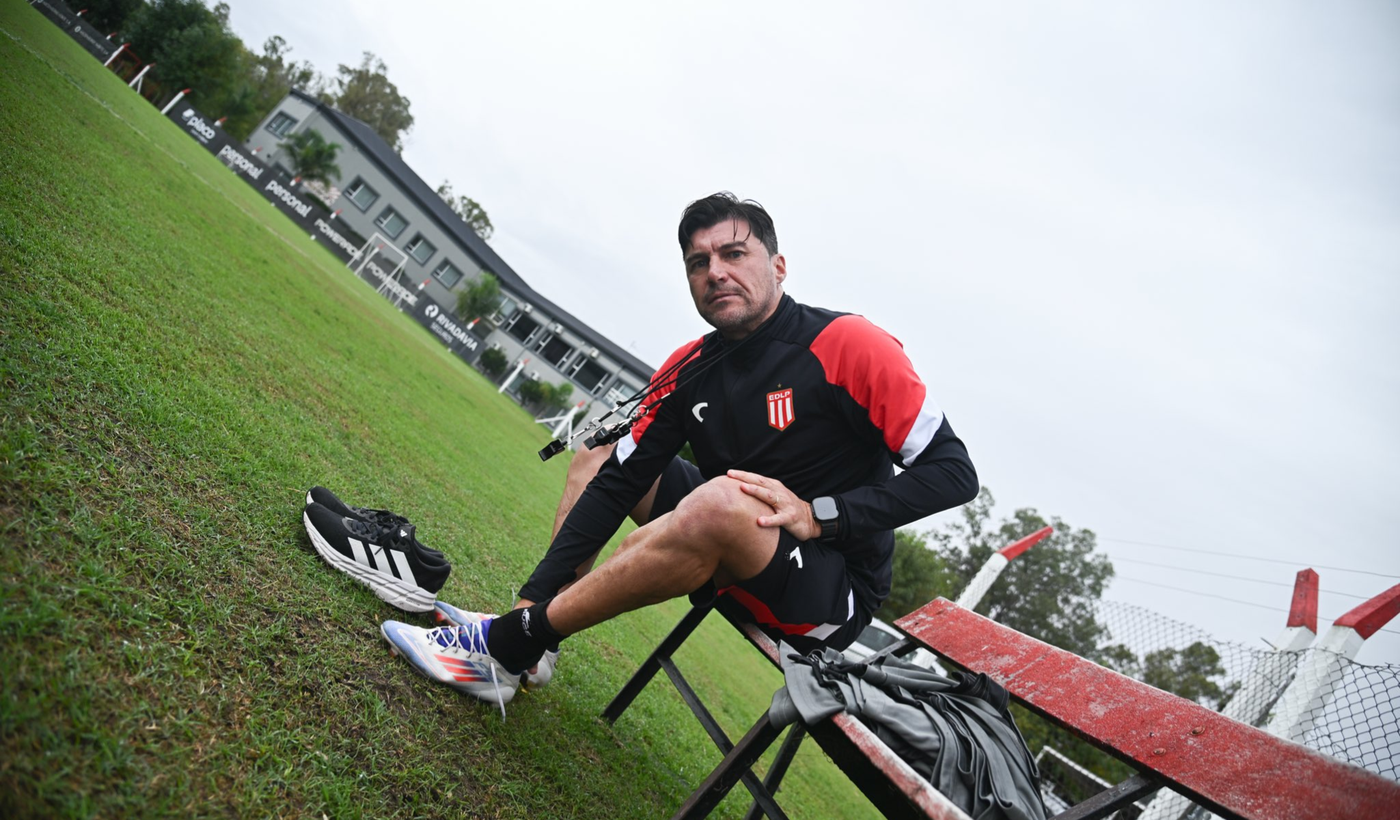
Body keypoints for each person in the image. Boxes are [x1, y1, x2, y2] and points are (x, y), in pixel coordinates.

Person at [379, 193, 979, 708]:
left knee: (722, 500)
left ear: (779, 265)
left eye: (733, 253)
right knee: (601, 456)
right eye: (699, 262)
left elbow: (954, 473)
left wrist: (820, 515)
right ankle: (531, 639)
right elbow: (617, 484)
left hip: (831, 592)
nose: (715, 271)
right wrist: (533, 596)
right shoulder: (691, 364)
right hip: (734, 534)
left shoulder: (849, 344)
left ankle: (506, 648)